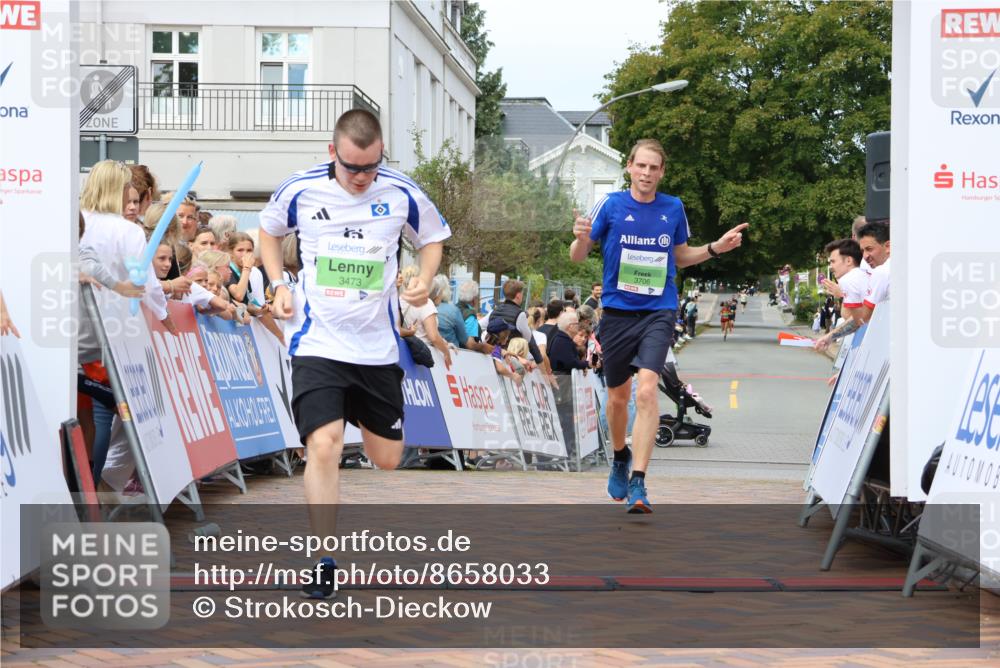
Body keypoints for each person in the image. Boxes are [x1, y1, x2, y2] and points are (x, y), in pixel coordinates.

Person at [258, 109, 449, 599]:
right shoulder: (301, 189)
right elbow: (268, 231)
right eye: (351, 168)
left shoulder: (401, 192)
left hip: (376, 348)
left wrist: (425, 279)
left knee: (387, 458)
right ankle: (323, 559)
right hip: (317, 341)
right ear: (332, 152)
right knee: (323, 445)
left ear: (382, 153)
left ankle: (359, 413)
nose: (362, 177)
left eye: (370, 167)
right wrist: (278, 283)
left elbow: (433, 238)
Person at [570, 138, 747, 513]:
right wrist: (581, 239)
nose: (647, 173)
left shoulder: (673, 207)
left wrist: (716, 248)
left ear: (662, 172)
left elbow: (680, 256)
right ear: (630, 167)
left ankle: (638, 480)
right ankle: (620, 456)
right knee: (618, 399)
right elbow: (578, 256)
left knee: (648, 391)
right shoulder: (610, 204)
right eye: (641, 166)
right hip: (617, 313)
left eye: (654, 167)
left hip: (659, 311)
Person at [815, 238, 868, 351]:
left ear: (848, 260)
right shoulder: (862, 275)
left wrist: (842, 295)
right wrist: (830, 337)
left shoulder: (848, 280)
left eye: (833, 261)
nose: (831, 267)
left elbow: (855, 319)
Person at [857, 221, 890, 317]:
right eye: (862, 251)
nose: (865, 256)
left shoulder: (881, 272)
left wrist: (845, 295)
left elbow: (865, 317)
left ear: (888, 246)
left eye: (869, 249)